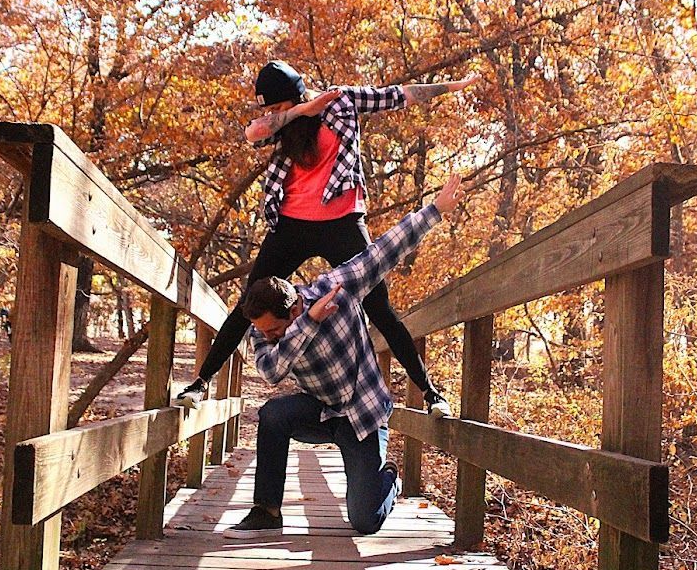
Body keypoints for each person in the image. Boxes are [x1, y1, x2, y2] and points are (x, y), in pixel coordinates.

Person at [173, 61, 480, 419]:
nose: (273, 114)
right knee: (248, 303)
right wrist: (300, 111)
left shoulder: (341, 100)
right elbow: (252, 133)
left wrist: (453, 85)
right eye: (270, 109)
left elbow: (399, 96)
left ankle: (429, 392)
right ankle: (200, 382)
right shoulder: (285, 122)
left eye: (278, 106)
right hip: (290, 223)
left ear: (295, 92)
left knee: (378, 306)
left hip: (341, 222)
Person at [224, 174, 465, 538]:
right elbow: (270, 372)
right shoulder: (264, 329)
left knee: (364, 521)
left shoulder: (336, 287)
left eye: (274, 331)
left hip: (361, 412)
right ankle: (267, 511)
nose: (268, 338)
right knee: (272, 415)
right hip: (320, 410)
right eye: (263, 334)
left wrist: (434, 210)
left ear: (293, 308)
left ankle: (389, 481)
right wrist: (309, 322)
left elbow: (383, 250)